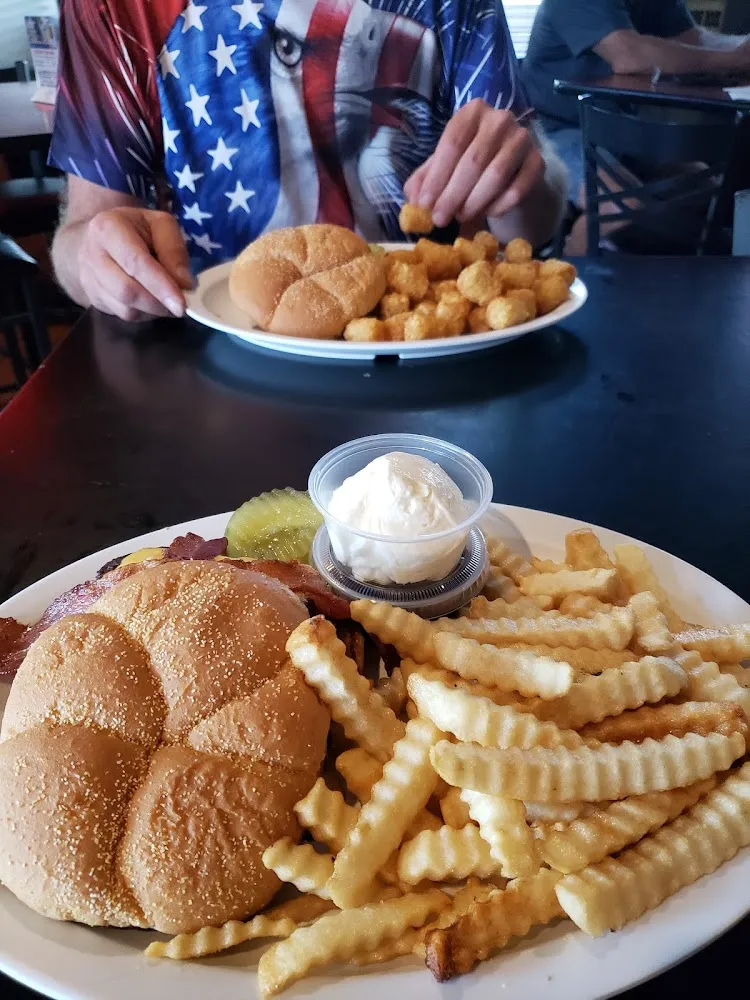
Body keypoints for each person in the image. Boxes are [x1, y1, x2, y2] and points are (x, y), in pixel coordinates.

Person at [48, 0, 567, 323]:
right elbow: (81, 233)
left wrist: (521, 179)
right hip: (205, 346)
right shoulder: (112, 8)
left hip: (428, 347)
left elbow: (527, 226)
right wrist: (97, 260)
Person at [522, 0, 750, 206]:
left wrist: (743, 48)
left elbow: (695, 40)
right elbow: (628, 56)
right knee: (620, 206)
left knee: (709, 192)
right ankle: (569, 251)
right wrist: (731, 61)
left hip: (619, 129)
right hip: (557, 131)